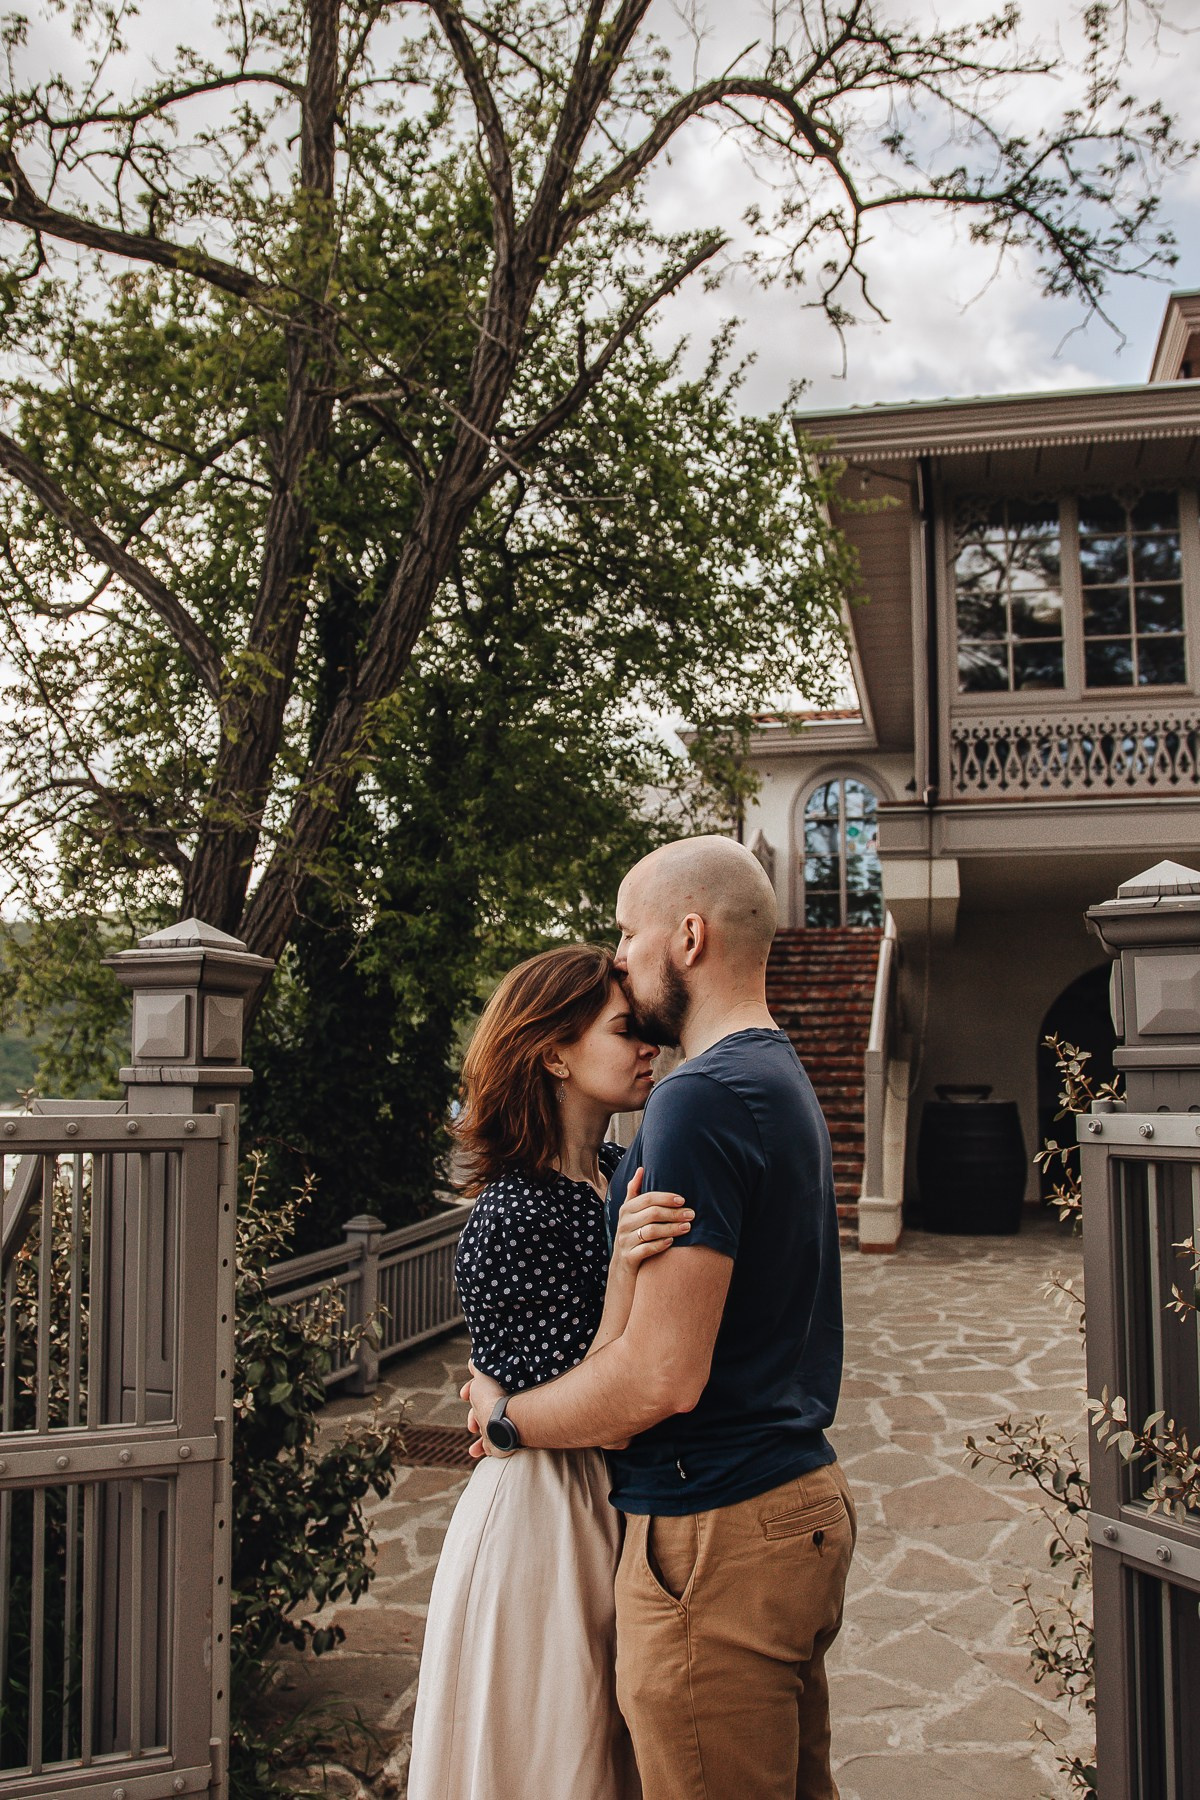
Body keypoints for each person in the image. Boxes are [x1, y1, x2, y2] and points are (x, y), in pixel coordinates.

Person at [466, 835, 855, 1800]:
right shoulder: (776, 1077)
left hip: (714, 1522)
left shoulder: (697, 1098)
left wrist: (506, 1420)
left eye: (630, 935)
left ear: (688, 936)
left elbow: (657, 1378)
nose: (625, 961)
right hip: (795, 1498)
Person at [407, 943, 691, 1800]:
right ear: (554, 1052)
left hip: (605, 1501)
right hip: (543, 1517)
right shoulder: (512, 1212)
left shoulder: (614, 1174)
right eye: (625, 1030)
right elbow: (599, 1401)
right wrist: (621, 1277)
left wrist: (498, 1397)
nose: (650, 1046)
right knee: (551, 1756)